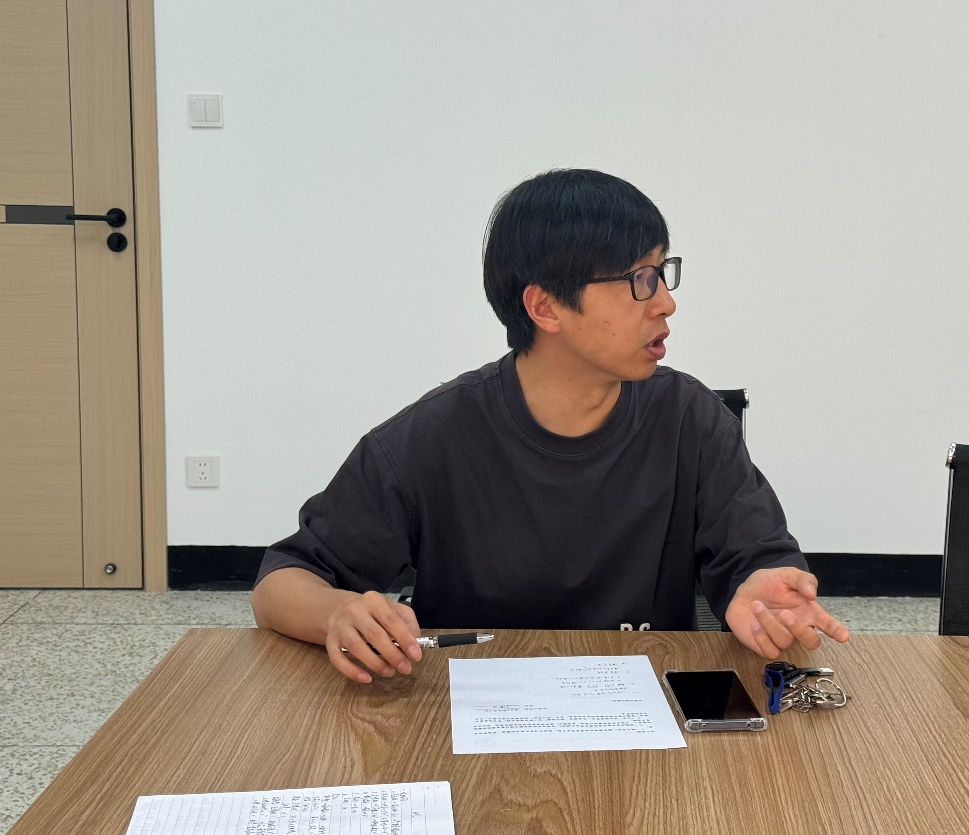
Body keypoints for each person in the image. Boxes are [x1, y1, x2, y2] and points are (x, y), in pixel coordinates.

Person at [251, 168, 848, 683]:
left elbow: (756, 555)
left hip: (643, 714)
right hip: (469, 714)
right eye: (640, 279)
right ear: (545, 307)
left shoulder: (689, 418)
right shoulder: (434, 437)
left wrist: (763, 588)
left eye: (663, 272)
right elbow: (281, 582)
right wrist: (336, 614)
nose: (665, 302)